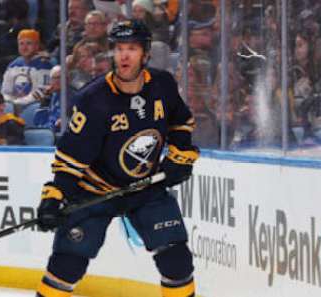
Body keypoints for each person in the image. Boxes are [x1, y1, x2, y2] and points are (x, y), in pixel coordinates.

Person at [35, 20, 199, 297]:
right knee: (67, 266)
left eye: (132, 49)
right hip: (93, 190)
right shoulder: (93, 99)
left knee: (177, 262)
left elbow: (181, 123)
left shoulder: (162, 85)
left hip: (146, 187)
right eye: (119, 48)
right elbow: (70, 158)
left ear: (145, 54)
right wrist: (54, 197)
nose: (124, 56)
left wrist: (181, 157)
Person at [0, 29, 52, 112]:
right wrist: (12, 102)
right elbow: (5, 91)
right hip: (12, 106)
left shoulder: (44, 65)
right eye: (21, 44)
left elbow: (40, 93)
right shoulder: (13, 65)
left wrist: (17, 103)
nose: (24, 47)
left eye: (29, 43)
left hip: (32, 108)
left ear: (37, 46)